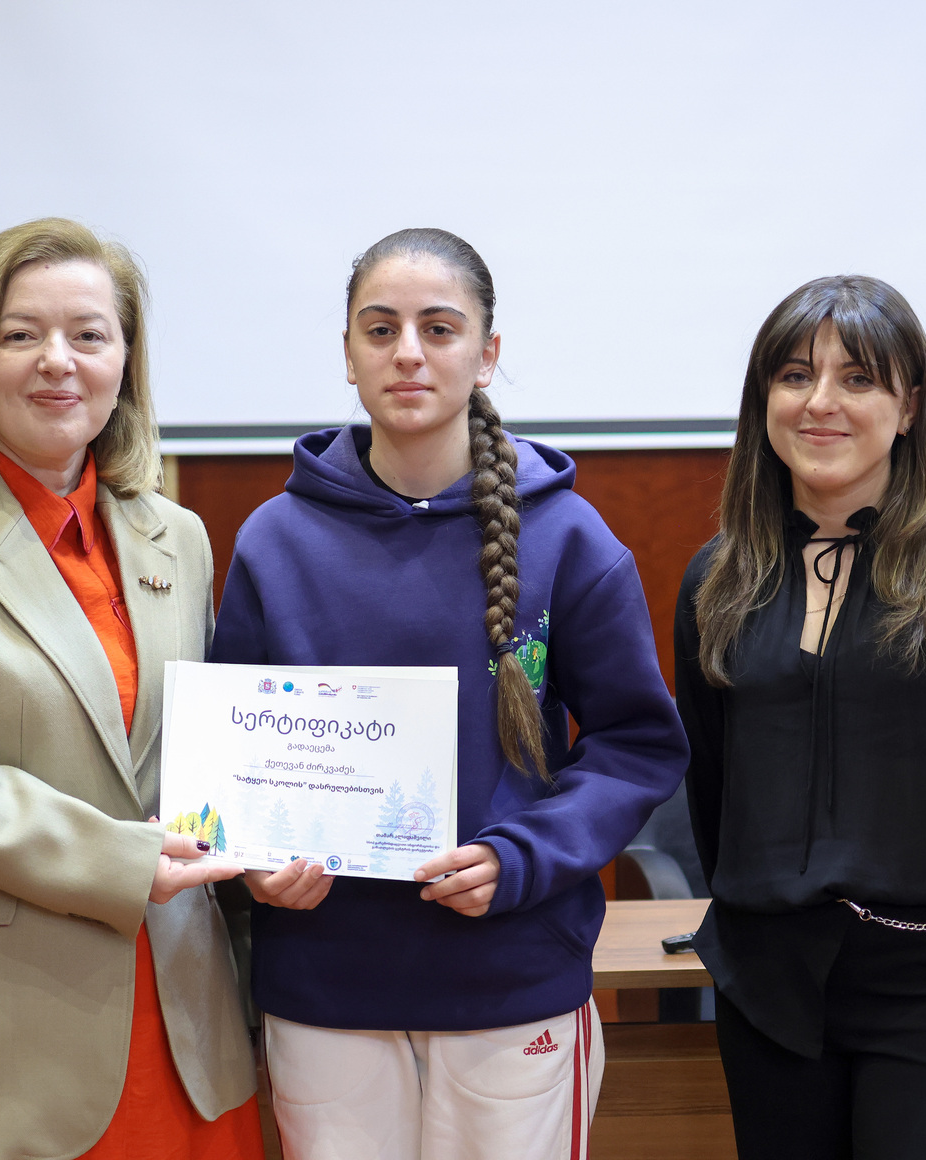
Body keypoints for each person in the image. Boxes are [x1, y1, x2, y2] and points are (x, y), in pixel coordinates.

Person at [209, 227, 689, 1160]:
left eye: (439, 328)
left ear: (487, 353)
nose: (408, 353)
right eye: (380, 329)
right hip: (325, 987)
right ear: (349, 353)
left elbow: (636, 745)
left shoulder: (570, 538)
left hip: (511, 979)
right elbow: (237, 759)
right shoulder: (274, 540)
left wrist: (523, 857)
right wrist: (256, 860)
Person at [0, 218, 264, 1160]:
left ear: (124, 366)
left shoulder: (178, 537)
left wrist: (272, 844)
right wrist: (118, 862)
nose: (57, 361)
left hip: (176, 1014)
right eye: (20, 334)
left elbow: (205, 755)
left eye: (89, 335)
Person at [673, 275, 926, 1159]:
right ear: (763, 401)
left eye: (857, 378)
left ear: (910, 406)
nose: (820, 402)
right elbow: (714, 790)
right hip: (770, 990)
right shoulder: (718, 579)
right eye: (794, 376)